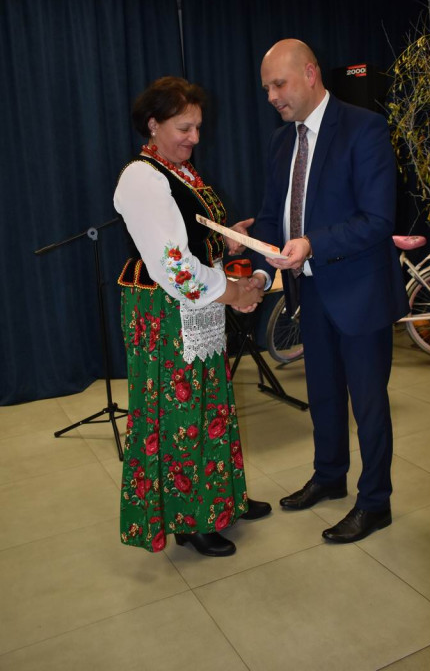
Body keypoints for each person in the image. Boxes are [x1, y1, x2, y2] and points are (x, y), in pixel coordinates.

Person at [248, 39, 409, 544]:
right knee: (322, 395)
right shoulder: (281, 143)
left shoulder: (364, 129)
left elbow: (378, 219)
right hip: (309, 292)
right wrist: (258, 272)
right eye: (266, 88)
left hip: (360, 293)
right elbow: (272, 217)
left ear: (311, 73)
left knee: (368, 405)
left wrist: (312, 243)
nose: (272, 96)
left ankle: (375, 502)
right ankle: (329, 475)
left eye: (279, 84)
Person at [114, 76, 270, 558]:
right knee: (181, 410)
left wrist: (224, 241)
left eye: (198, 128)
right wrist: (234, 291)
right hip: (166, 309)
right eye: (185, 128)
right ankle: (189, 519)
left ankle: (222, 499)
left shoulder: (179, 170)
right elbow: (174, 266)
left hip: (194, 302)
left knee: (209, 401)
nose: (194, 138)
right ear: (153, 124)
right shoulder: (142, 177)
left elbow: (190, 237)